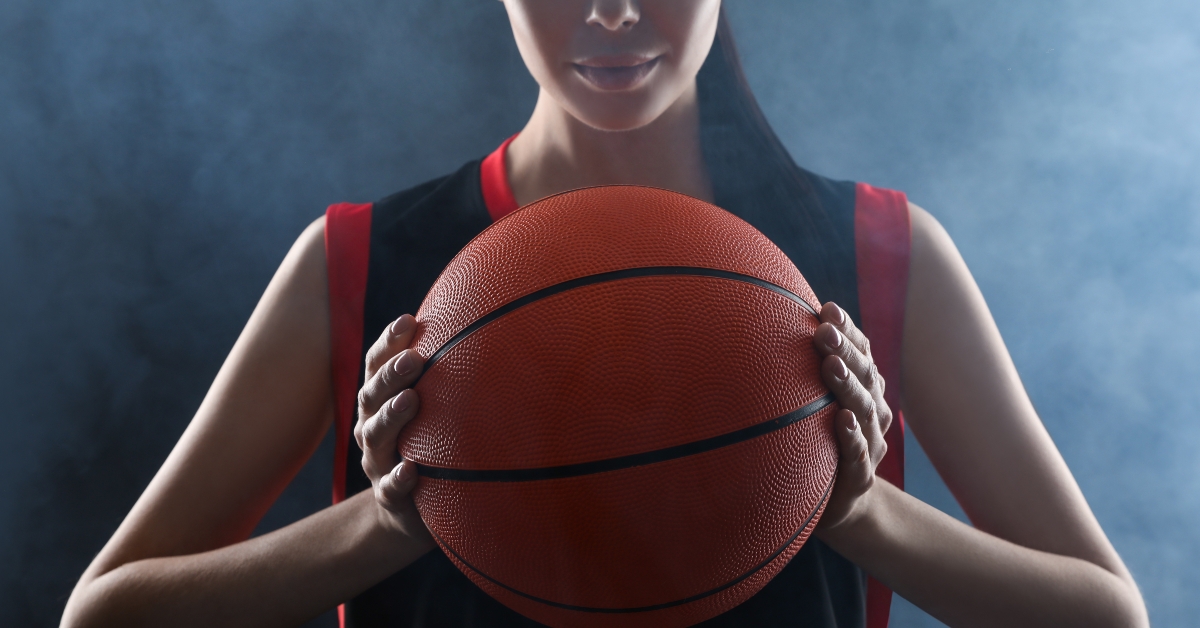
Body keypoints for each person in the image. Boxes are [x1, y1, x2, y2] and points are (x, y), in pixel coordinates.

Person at [61, 1, 1149, 627]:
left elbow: (1106, 613)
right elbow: (106, 612)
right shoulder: (358, 256)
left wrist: (859, 513)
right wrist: (382, 523)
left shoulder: (879, 251)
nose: (616, 9)